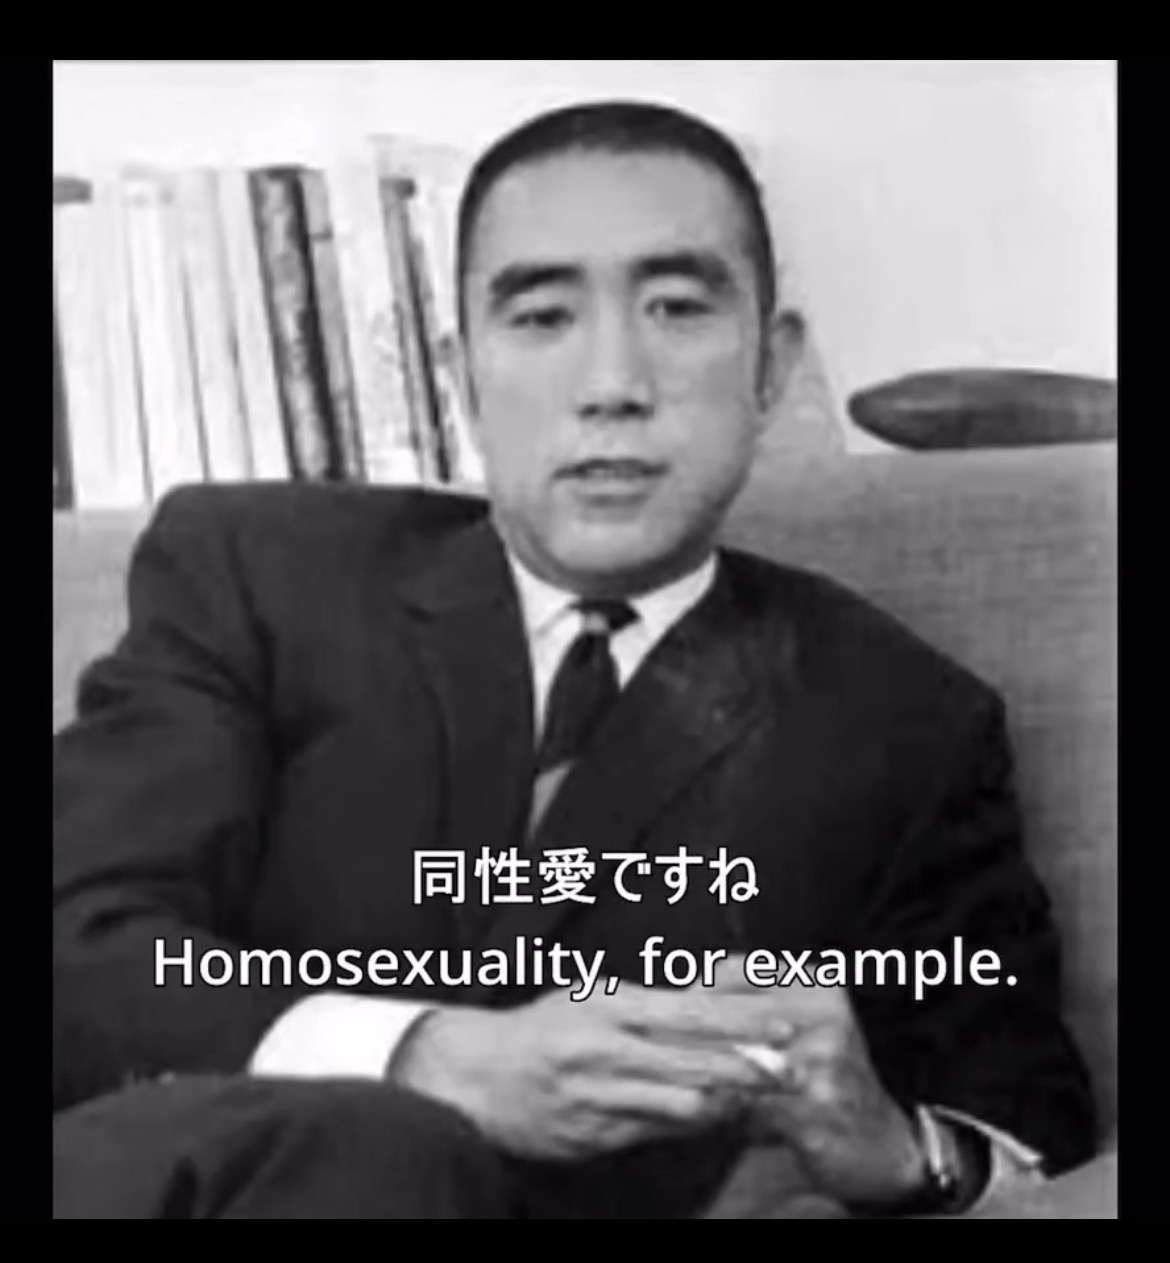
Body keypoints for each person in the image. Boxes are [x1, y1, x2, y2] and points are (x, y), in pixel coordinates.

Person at [52, 100, 1096, 1219]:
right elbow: (78, 938)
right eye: (543, 316)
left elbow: (1031, 1130)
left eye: (678, 308)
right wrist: (419, 1055)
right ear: (460, 372)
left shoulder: (904, 724)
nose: (612, 385)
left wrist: (890, 1144)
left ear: (771, 367)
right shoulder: (257, 578)